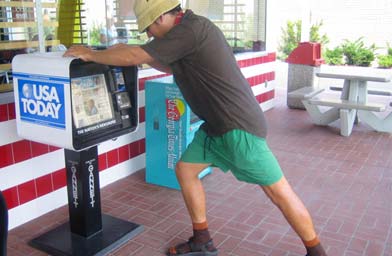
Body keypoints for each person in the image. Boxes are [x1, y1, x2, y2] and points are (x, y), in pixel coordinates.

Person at [63, 1, 328, 255]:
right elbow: (162, 61)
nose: (149, 34)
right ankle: (202, 239)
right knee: (186, 170)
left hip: (238, 128)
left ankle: (316, 251)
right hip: (215, 126)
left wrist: (93, 54)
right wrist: (131, 52)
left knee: (278, 191)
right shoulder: (185, 30)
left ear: (160, 17)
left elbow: (137, 54)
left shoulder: (189, 30)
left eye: (149, 28)